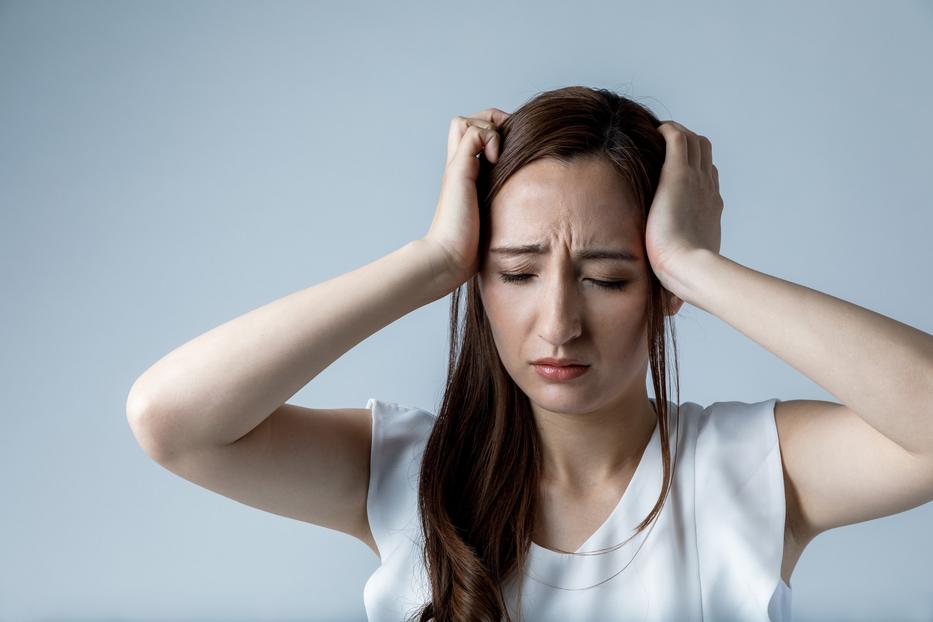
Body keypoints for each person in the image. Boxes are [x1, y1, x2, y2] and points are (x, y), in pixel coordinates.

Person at [126, 86, 933, 622]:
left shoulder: (754, 465)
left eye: (609, 279)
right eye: (515, 272)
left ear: (658, 287)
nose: (557, 324)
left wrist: (697, 267)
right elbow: (174, 421)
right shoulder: (406, 468)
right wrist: (435, 258)